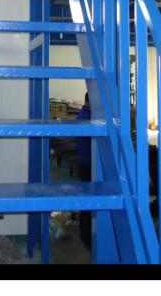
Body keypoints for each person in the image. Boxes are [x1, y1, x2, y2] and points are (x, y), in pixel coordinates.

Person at [76, 92, 92, 250]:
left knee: (89, 202)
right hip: (87, 165)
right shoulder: (86, 118)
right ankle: (86, 236)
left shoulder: (86, 115)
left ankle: (86, 234)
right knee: (88, 203)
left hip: (86, 163)